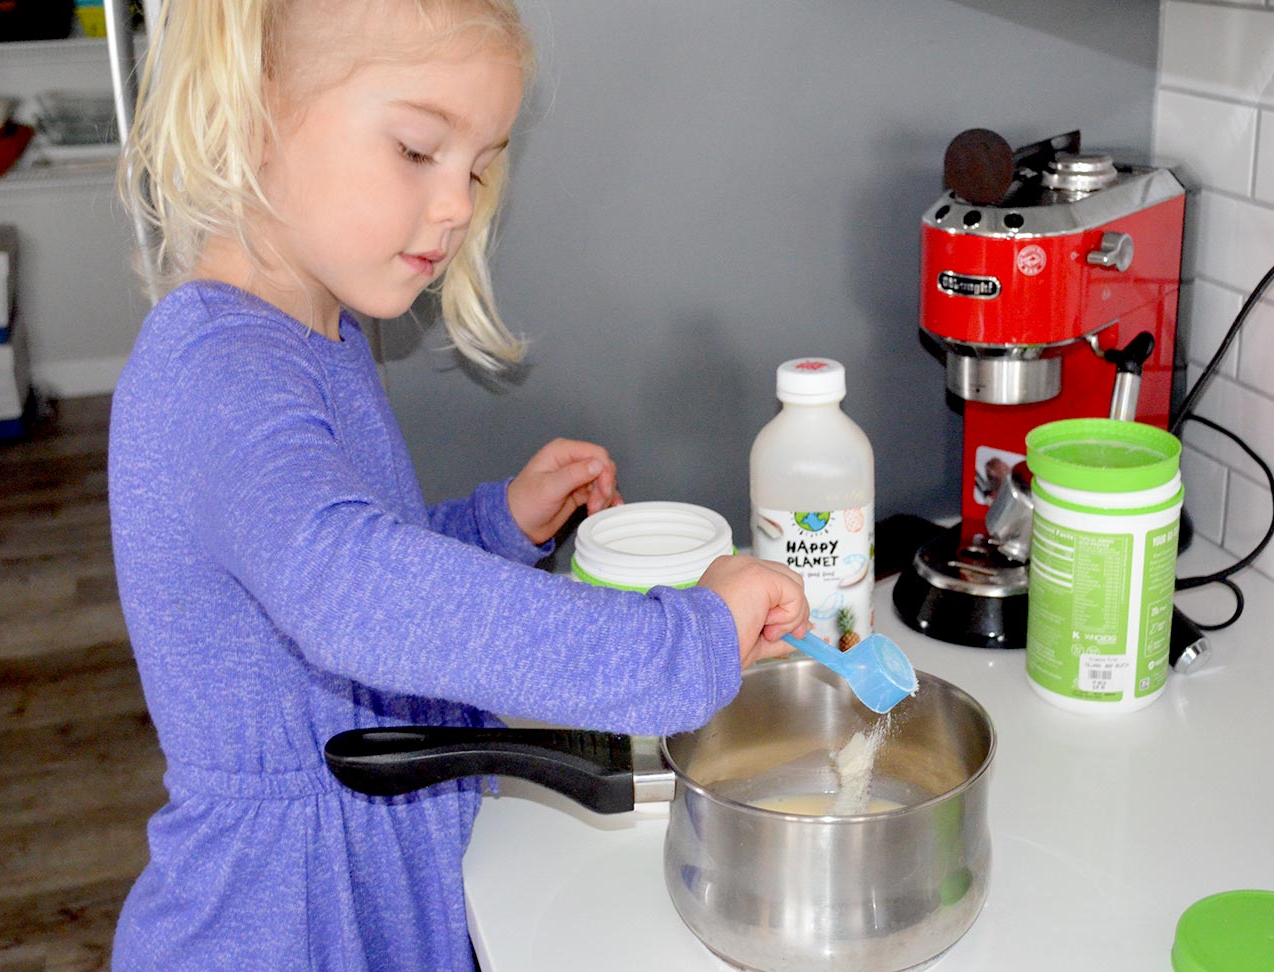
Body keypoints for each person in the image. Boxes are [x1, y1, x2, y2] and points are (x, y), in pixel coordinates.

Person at [106, 1, 809, 969]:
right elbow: (348, 591)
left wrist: (493, 525)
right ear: (253, 105)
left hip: (377, 871)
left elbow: (349, 557)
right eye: (417, 150)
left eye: (478, 167)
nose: (456, 205)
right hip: (282, 924)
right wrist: (676, 643)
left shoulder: (323, 335)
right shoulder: (219, 375)